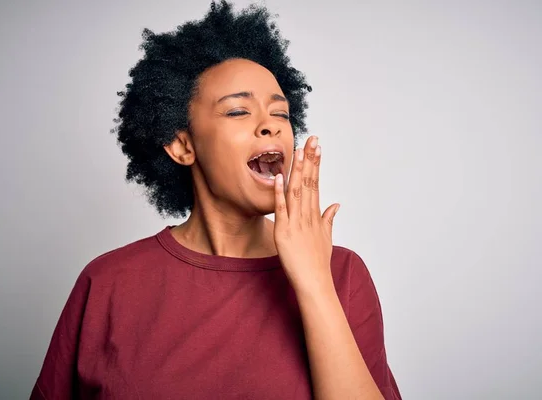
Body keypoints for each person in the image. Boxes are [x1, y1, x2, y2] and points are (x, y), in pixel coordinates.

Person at [30, 1, 401, 399]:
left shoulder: (340, 272)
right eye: (239, 111)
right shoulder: (108, 283)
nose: (269, 126)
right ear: (182, 144)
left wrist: (314, 282)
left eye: (281, 114)